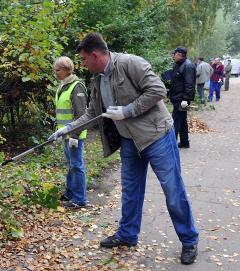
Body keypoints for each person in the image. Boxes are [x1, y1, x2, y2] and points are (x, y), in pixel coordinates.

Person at [49, 33, 199, 265]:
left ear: (95, 55)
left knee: (172, 189)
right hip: (129, 141)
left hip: (157, 135)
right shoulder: (97, 79)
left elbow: (158, 90)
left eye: (84, 59)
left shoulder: (131, 63)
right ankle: (127, 235)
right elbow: (91, 113)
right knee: (130, 191)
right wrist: (67, 129)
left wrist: (127, 111)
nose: (83, 64)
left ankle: (189, 240)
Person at [53, 57, 88, 209]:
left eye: (58, 70)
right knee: (71, 165)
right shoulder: (63, 86)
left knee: (77, 165)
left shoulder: (76, 87)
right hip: (65, 134)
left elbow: (81, 115)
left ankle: (79, 199)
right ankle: (70, 193)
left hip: (75, 136)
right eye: (55, 70)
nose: (56, 73)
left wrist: (75, 135)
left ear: (68, 69)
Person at [169, 47, 196, 149]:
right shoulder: (178, 64)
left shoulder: (188, 66)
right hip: (177, 97)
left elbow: (189, 84)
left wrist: (185, 98)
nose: (173, 56)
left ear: (180, 54)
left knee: (176, 120)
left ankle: (171, 144)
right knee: (182, 120)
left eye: (174, 54)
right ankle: (185, 142)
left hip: (182, 99)